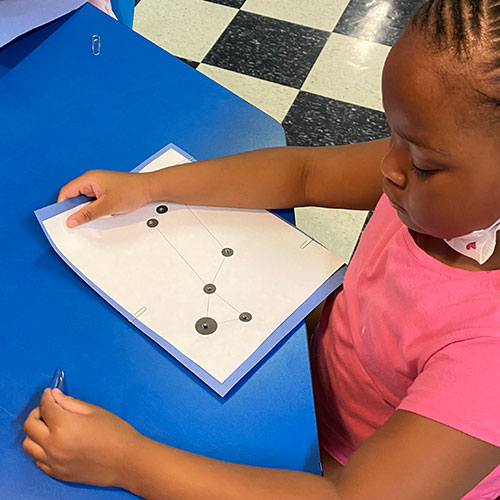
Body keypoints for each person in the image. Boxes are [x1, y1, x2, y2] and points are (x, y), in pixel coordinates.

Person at [21, 0, 500, 498]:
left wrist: (125, 462)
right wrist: (149, 188)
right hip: (310, 388)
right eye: (392, 135)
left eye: (421, 162)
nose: (388, 167)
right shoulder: (421, 181)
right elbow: (304, 173)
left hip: (353, 468)